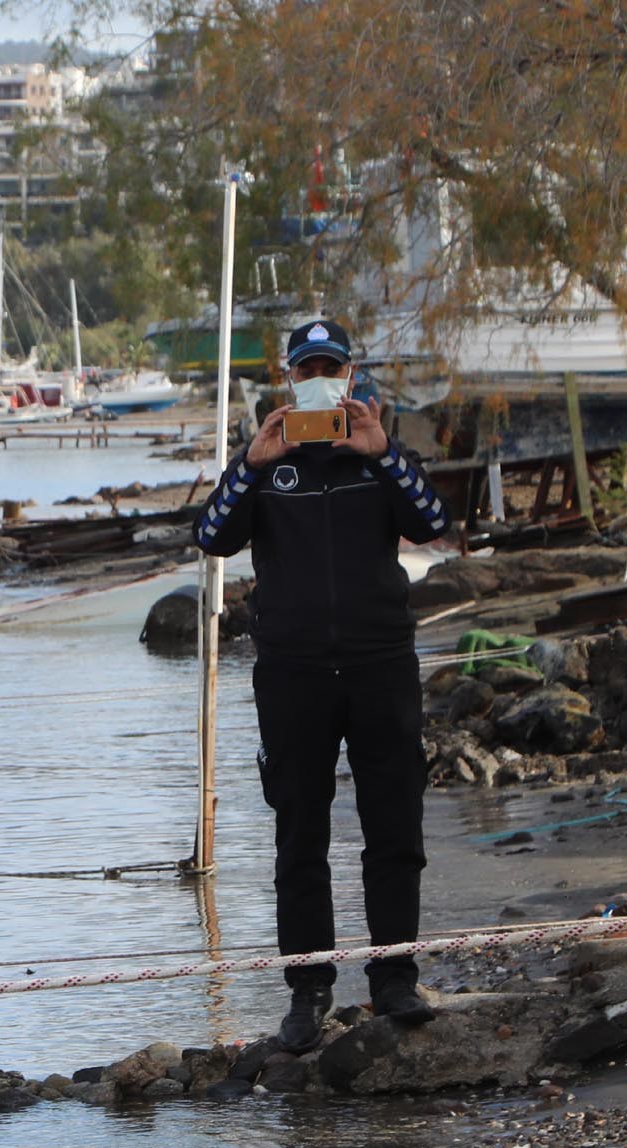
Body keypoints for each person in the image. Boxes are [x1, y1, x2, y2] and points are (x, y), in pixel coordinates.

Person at [194, 314, 453, 1051]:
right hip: (293, 672)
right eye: (306, 370)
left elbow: (434, 521)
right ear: (289, 377)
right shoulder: (267, 465)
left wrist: (384, 452)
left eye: (329, 369)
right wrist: (248, 463)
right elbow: (211, 537)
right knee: (299, 834)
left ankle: (394, 977)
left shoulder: (376, 457)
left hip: (380, 664)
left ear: (349, 375)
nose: (317, 381)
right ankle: (308, 992)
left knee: (393, 827)